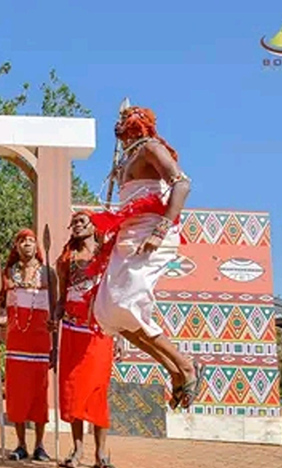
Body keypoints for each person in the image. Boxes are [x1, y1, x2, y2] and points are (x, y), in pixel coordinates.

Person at [92, 104, 203, 410]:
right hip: (128, 236)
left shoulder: (151, 148)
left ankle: (186, 366)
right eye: (121, 120)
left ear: (143, 124)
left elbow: (182, 183)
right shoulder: (127, 158)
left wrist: (161, 229)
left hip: (150, 235)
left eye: (128, 119)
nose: (123, 124)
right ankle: (175, 368)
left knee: (127, 306)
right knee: (109, 312)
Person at [51, 210, 118, 468]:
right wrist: (54, 319)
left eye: (82, 221)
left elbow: (115, 296)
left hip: (100, 331)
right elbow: (60, 298)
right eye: (74, 222)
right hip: (72, 329)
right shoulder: (66, 259)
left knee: (98, 391)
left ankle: (101, 453)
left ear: (93, 226)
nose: (77, 226)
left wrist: (120, 334)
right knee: (73, 390)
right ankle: (77, 448)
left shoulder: (107, 255)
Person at [2, 228, 56, 462]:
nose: (26, 244)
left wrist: (56, 344)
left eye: (31, 241)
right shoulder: (9, 273)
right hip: (16, 342)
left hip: (40, 342)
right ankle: (21, 444)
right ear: (16, 247)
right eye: (21, 241)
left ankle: (40, 445)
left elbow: (55, 308)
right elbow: (0, 302)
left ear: (37, 246)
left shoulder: (48, 274)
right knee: (17, 395)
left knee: (38, 394)